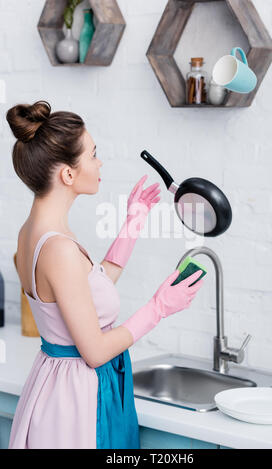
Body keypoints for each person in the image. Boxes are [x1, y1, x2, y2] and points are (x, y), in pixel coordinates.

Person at [6, 100, 204, 449]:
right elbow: (95, 352)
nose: (99, 163)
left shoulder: (32, 233)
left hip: (53, 385)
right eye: (93, 154)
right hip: (76, 400)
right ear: (68, 173)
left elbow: (85, 296)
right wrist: (159, 307)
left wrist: (133, 223)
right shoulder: (59, 249)